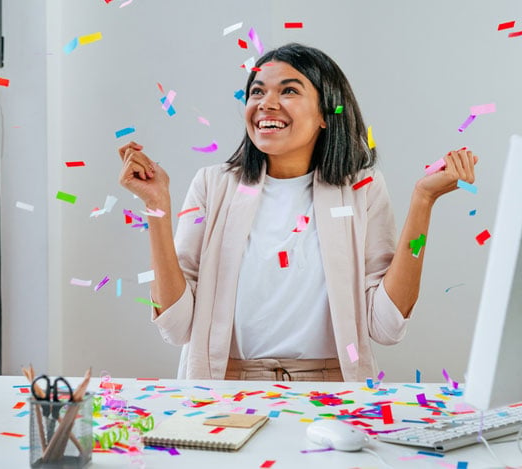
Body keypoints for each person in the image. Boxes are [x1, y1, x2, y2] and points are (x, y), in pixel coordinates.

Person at [118, 43, 477, 382]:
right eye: (257, 91)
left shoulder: (362, 189)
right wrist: (156, 206)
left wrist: (423, 202)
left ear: (326, 113)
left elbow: (386, 325)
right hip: (225, 387)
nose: (266, 103)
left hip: (333, 388)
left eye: (288, 91)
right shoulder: (212, 185)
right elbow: (175, 326)